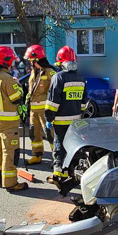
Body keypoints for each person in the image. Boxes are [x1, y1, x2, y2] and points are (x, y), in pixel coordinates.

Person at [0, 46, 28, 192]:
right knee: (10, 151)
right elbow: (16, 98)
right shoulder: (8, 79)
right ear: (7, 61)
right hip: (9, 124)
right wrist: (18, 86)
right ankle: (10, 182)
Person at [46, 46, 87, 186]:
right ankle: (70, 172)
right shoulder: (81, 78)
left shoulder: (58, 77)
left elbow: (53, 103)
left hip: (60, 121)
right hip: (75, 121)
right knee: (72, 147)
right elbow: (84, 103)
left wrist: (49, 119)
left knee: (59, 147)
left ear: (60, 63)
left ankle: (58, 176)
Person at [24, 45, 56, 165]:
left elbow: (55, 90)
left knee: (49, 133)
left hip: (44, 110)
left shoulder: (50, 72)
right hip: (33, 110)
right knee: (33, 133)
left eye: (30, 60)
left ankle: (56, 157)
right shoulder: (34, 72)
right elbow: (31, 89)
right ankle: (37, 155)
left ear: (36, 59)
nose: (29, 62)